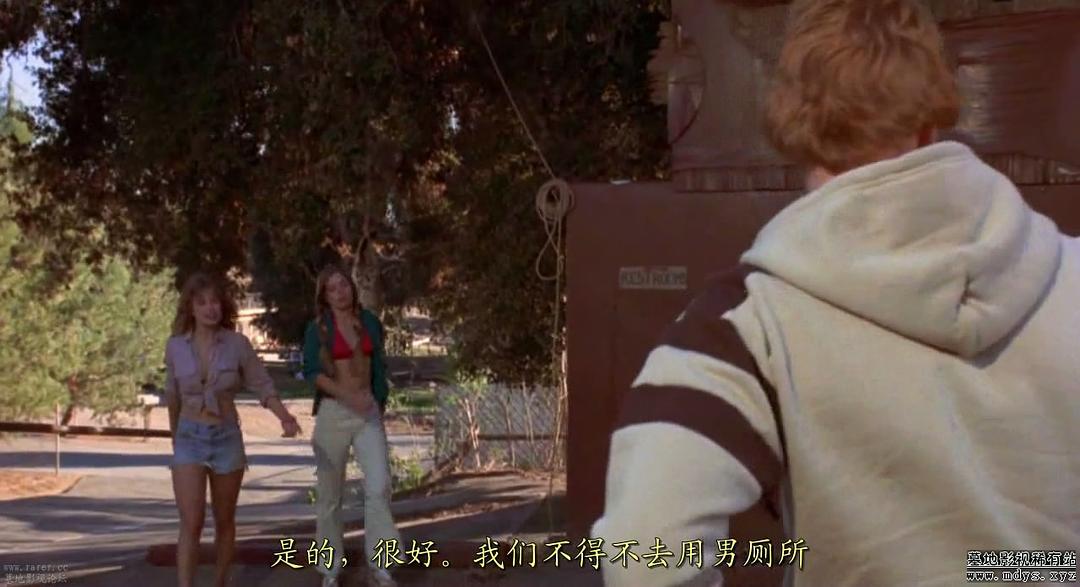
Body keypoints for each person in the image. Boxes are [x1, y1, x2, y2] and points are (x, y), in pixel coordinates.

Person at [592, 1, 1080, 586]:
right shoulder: (1071, 275)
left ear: (797, 132)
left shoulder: (744, 326)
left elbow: (644, 555)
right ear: (932, 122)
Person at [164, 272, 302, 587]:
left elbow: (262, 384)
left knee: (224, 520)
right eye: (202, 302)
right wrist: (176, 439)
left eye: (215, 301)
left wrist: (285, 417)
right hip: (188, 438)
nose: (210, 308)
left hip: (226, 437)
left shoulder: (237, 344)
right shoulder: (175, 346)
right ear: (191, 308)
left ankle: (220, 583)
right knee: (191, 522)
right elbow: (172, 395)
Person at [303, 264, 400, 587]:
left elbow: (379, 364)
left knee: (379, 486)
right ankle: (329, 571)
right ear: (324, 296)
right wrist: (347, 396)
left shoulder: (369, 321)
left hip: (367, 411)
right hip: (334, 412)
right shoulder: (318, 329)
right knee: (330, 495)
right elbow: (312, 372)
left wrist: (378, 401)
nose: (340, 292)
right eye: (332, 288)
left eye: (343, 285)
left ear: (352, 287)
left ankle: (382, 566)